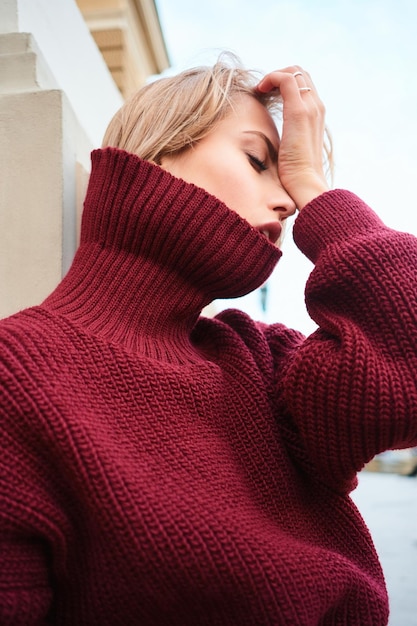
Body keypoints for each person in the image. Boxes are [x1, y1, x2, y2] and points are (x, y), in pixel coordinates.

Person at [0, 53, 416, 626]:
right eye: (257, 159)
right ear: (155, 152)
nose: (288, 201)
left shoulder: (263, 362)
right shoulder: (16, 373)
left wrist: (318, 189)